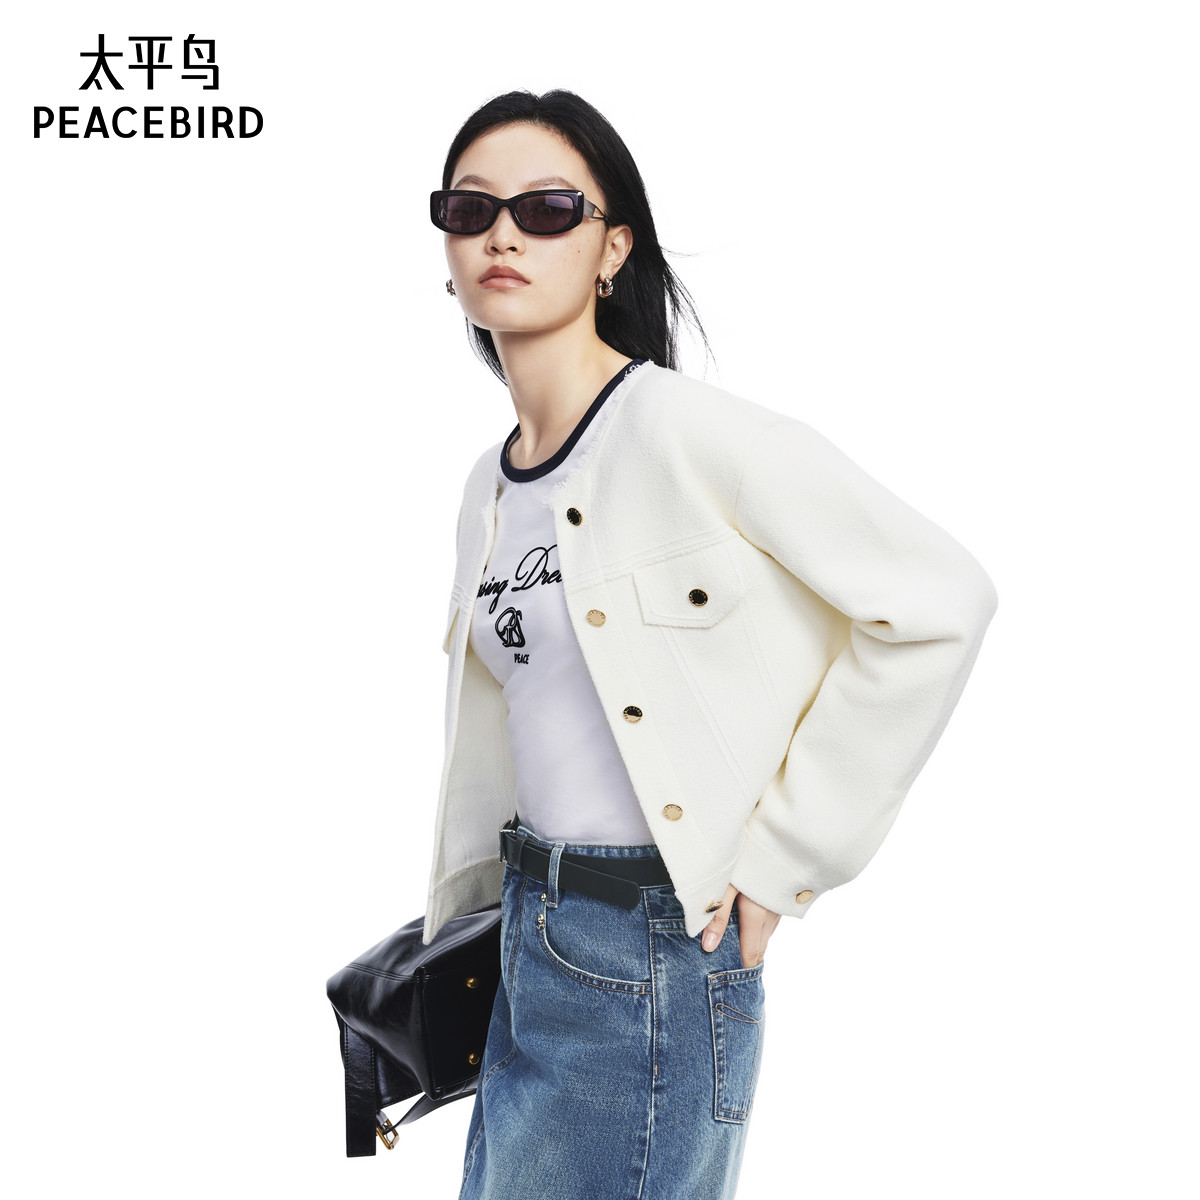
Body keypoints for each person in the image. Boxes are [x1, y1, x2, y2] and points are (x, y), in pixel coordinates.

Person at [423, 88, 998, 1200]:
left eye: (547, 209)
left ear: (613, 248)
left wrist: (785, 861)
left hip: (649, 950)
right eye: (470, 207)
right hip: (527, 941)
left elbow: (940, 603)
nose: (502, 234)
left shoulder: (693, 436)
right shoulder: (487, 486)